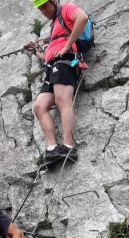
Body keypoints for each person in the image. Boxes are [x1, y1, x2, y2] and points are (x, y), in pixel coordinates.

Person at [25, 0, 89, 165]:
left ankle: (68, 147)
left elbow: (82, 18)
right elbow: (49, 55)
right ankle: (52, 149)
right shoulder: (54, 25)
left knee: (62, 100)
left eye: (45, 6)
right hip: (52, 65)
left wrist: (67, 46)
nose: (44, 11)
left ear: (54, 1)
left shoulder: (67, 8)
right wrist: (36, 52)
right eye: (40, 9)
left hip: (65, 62)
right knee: (39, 107)